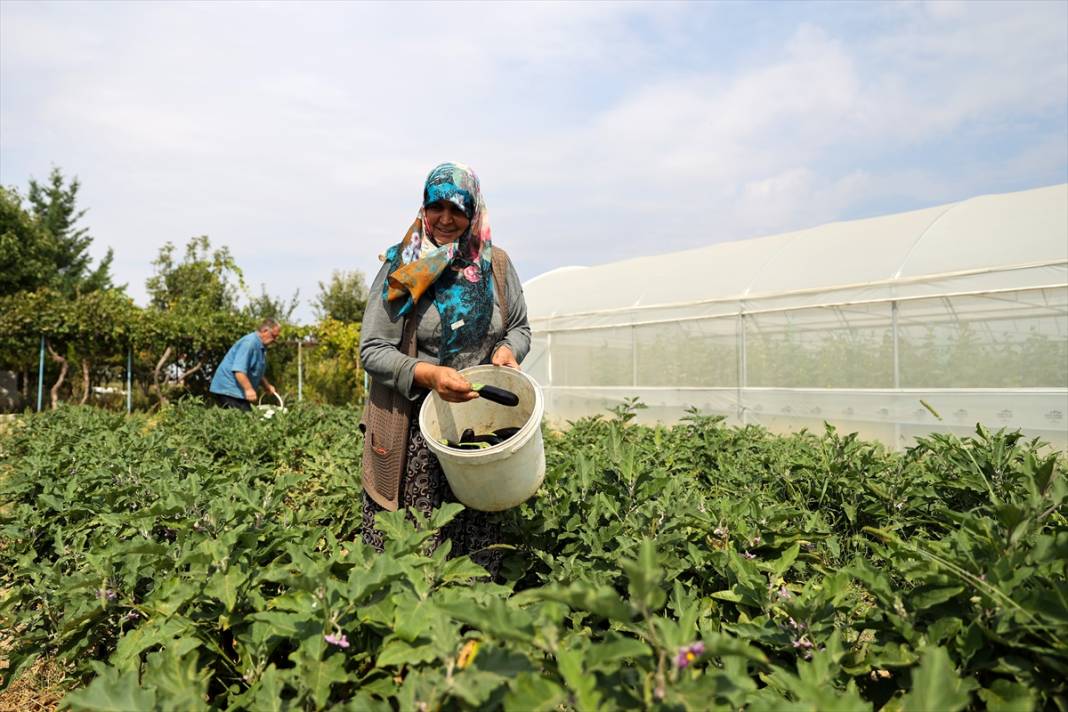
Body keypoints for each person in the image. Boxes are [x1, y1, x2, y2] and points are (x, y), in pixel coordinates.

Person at [359, 162, 530, 578]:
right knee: (416, 555)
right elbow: (373, 349)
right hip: (416, 436)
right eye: (437, 207)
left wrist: (508, 350)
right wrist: (429, 374)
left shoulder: (497, 266)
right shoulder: (405, 267)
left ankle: (474, 638)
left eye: (458, 209)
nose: (446, 219)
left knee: (478, 551)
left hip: (480, 432)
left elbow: (520, 328)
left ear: (474, 213)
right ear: (424, 208)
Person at [208, 318, 281, 411]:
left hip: (236, 392)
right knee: (243, 421)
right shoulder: (249, 343)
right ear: (265, 331)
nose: (275, 340)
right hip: (228, 390)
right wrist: (249, 389)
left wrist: (266, 386)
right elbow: (239, 370)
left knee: (245, 420)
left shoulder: (260, 346)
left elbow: (255, 370)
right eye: (274, 336)